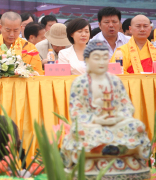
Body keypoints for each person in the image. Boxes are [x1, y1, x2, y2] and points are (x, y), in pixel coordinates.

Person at [61, 40, 150, 170]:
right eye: (96, 58)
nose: (101, 62)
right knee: (78, 131)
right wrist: (96, 119)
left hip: (116, 123)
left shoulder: (114, 80)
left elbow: (127, 106)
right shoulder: (80, 82)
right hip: (92, 124)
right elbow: (76, 111)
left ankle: (125, 157)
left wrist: (118, 117)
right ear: (86, 60)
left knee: (137, 126)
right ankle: (92, 159)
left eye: (105, 58)